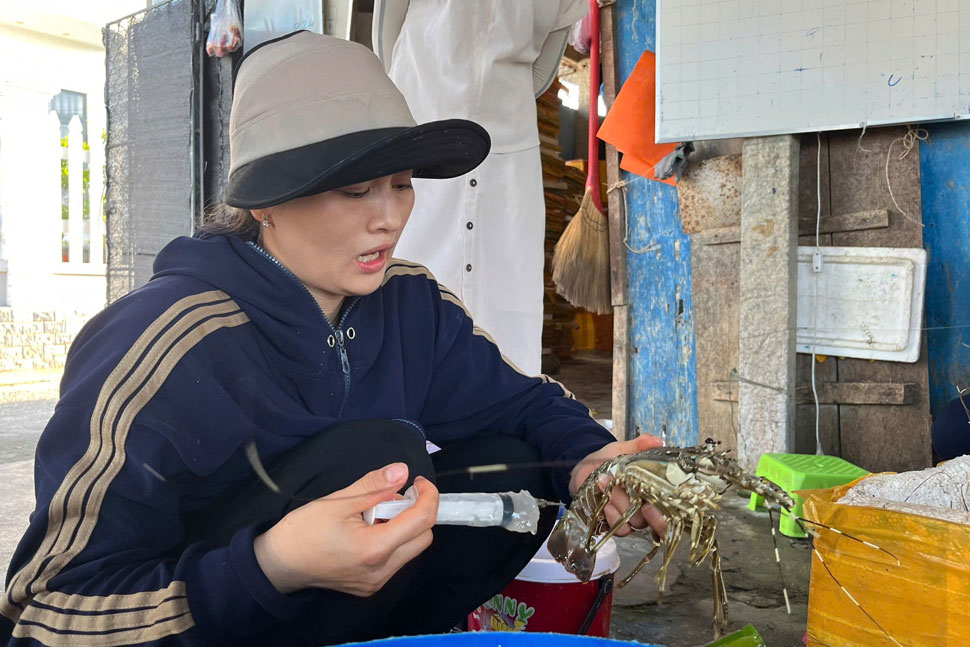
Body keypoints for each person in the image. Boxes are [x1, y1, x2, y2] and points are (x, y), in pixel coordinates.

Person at [1, 32, 662, 647]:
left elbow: (523, 404)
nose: (390, 216)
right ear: (265, 203)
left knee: (516, 463)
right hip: (205, 619)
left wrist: (592, 462)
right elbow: (45, 610)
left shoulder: (410, 303)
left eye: (402, 184)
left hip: (351, 607)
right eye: (355, 189)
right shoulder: (160, 341)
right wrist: (271, 565)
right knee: (380, 454)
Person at [373, 0, 588, 376]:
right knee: (422, 269)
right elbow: (543, 68)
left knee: (497, 284)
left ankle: (491, 405)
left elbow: (386, 37)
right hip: (477, 126)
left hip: (440, 121)